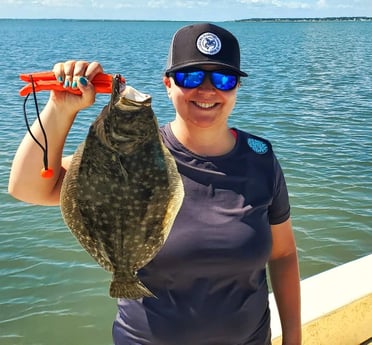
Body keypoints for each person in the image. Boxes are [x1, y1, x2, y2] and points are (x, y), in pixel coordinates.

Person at [8, 23, 301, 345]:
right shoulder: (132, 152)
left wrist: (293, 339)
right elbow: (26, 188)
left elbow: (284, 253)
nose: (207, 90)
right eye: (189, 77)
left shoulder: (260, 158)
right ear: (168, 84)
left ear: (236, 88)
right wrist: (60, 110)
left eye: (223, 78)